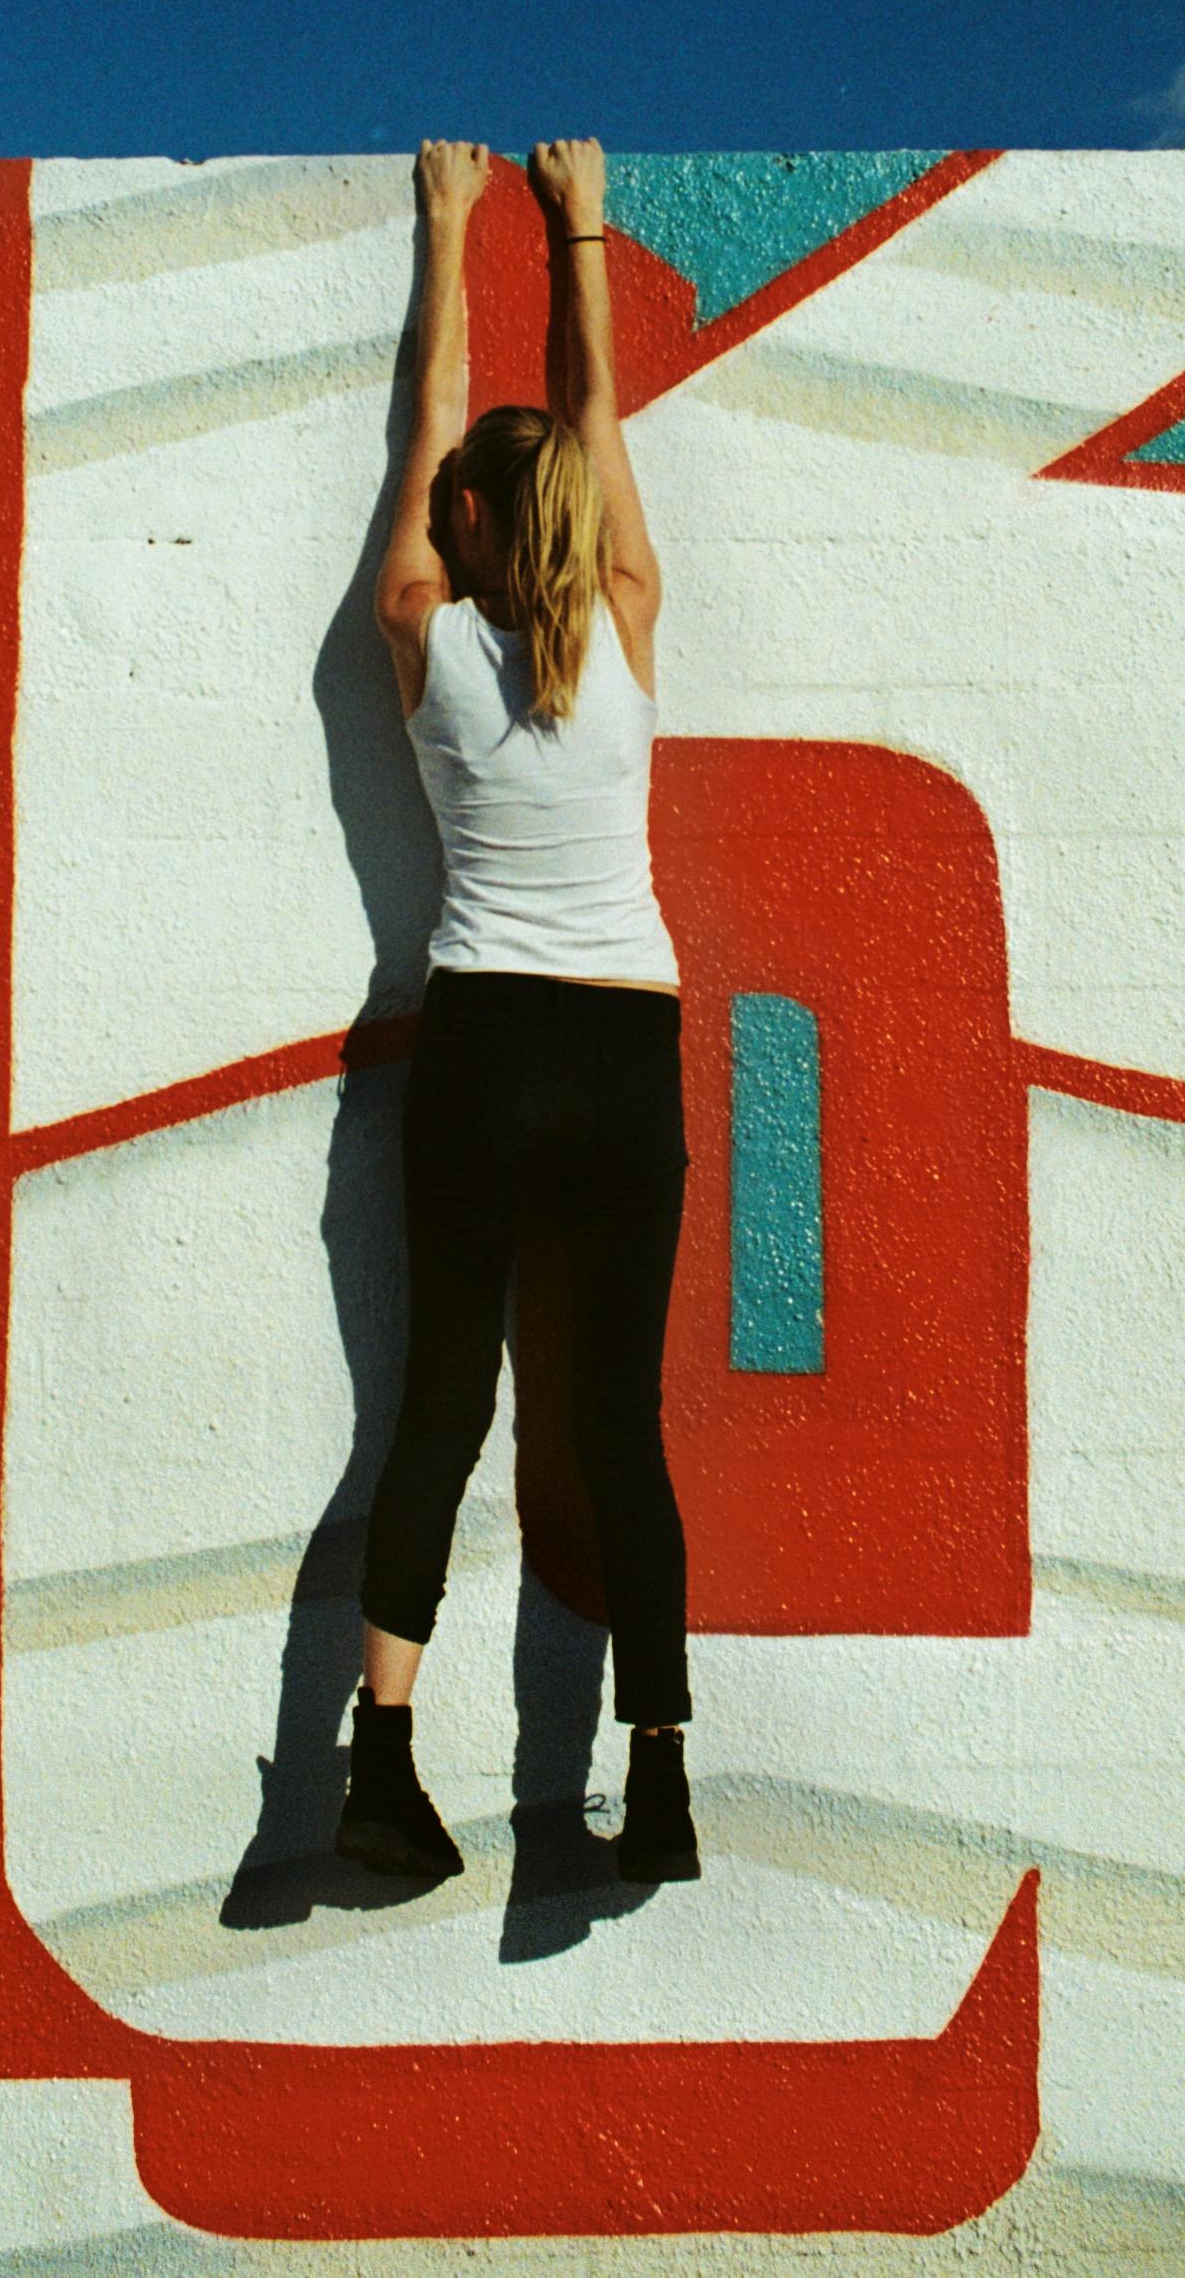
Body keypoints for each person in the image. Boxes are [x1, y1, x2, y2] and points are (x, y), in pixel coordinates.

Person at [335, 134, 699, 1891]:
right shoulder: (627, 624)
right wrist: (579, 226)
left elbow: (426, 444)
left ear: (475, 526)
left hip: (480, 1044)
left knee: (437, 1411)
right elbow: (597, 415)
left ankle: (378, 1759)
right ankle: (662, 1765)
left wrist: (443, 225)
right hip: (625, 1045)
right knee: (615, 1421)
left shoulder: (426, 634)